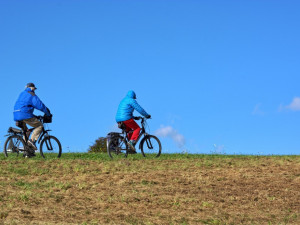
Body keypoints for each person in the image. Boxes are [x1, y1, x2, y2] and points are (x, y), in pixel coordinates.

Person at [13, 83, 51, 153]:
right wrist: (47, 112)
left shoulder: (22, 93)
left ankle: (27, 151)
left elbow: (24, 106)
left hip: (16, 114)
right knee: (39, 125)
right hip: (24, 114)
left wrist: (34, 116)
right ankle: (32, 141)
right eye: (34, 88)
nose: (35, 90)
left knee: (26, 131)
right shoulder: (31, 94)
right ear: (31, 88)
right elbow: (39, 105)